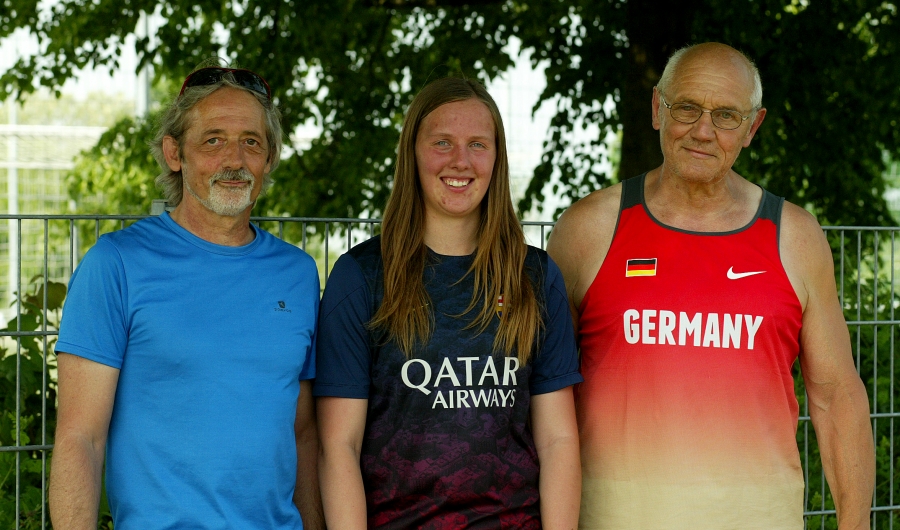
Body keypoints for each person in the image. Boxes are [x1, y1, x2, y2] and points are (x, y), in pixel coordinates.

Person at [548, 42, 875, 529]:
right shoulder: (587, 230)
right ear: (658, 109)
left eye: (726, 115)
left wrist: (854, 523)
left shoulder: (796, 238)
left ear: (753, 127)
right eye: (686, 108)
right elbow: (540, 394)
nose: (703, 131)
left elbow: (835, 395)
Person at [49, 66, 323, 529]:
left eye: (251, 142)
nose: (234, 159)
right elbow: (81, 438)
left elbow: (303, 434)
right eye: (213, 140)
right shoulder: (116, 264)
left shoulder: (298, 273)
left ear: (270, 157)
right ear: (175, 153)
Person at [315, 76, 583, 529]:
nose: (461, 160)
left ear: (496, 158)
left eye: (478, 144)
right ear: (412, 153)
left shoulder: (534, 277)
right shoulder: (361, 276)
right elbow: (338, 446)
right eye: (442, 142)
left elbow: (558, 440)